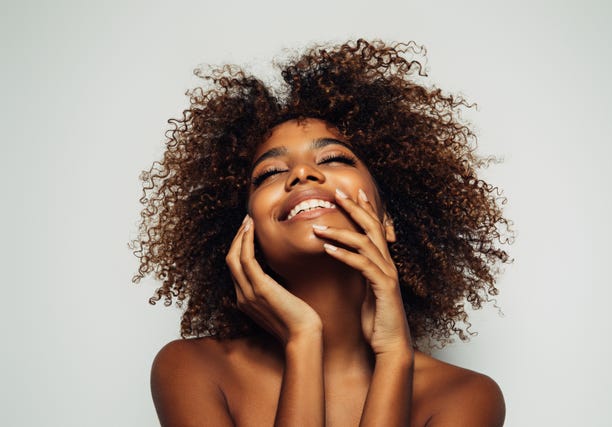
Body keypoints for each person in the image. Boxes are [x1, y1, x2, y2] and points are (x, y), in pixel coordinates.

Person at [131, 39, 512, 426]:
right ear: (245, 232)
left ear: (388, 219)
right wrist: (303, 340)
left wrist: (394, 355)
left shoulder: (463, 396)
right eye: (270, 173)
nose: (302, 173)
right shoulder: (193, 369)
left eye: (332, 158)